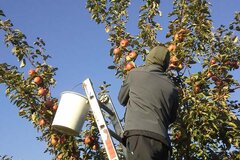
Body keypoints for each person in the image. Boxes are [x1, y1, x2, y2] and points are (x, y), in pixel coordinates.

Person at [118, 45, 179, 160]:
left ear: (149, 58)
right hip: (162, 142)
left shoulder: (134, 74)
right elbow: (172, 118)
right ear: (165, 64)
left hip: (139, 136)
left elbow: (121, 99)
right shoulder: (172, 87)